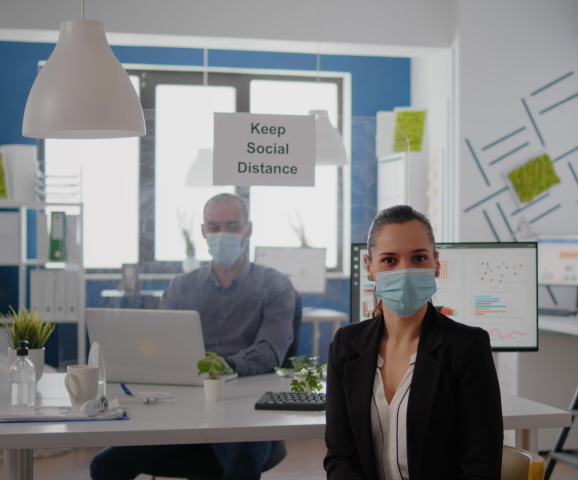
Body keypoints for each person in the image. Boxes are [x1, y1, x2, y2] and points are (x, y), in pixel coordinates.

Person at [90, 193, 297, 480]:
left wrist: (219, 365)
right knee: (104, 466)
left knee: (243, 462)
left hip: (244, 408)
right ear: (203, 231)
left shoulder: (275, 286)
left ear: (248, 230)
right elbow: (156, 348)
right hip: (181, 406)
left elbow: (270, 351)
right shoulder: (181, 287)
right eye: (213, 226)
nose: (221, 234)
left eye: (232, 225)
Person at [324, 205, 503, 480]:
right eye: (389, 260)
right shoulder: (346, 345)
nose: (405, 271)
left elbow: (481, 465)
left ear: (436, 264)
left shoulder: (467, 347)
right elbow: (340, 457)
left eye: (419, 258)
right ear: (369, 268)